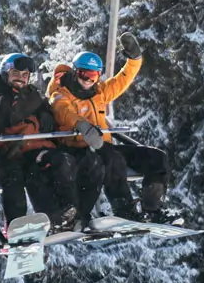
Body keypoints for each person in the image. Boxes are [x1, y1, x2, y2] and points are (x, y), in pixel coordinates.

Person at [47, 34, 173, 226]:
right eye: (84, 74)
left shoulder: (99, 92)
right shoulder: (61, 94)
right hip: (76, 150)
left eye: (94, 76)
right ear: (75, 72)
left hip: (103, 146)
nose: (88, 80)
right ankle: (124, 210)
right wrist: (82, 126)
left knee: (156, 158)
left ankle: (152, 208)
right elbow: (63, 112)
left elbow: (122, 80)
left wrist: (135, 60)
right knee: (112, 159)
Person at [0, 53, 79, 233]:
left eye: (25, 75)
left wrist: (45, 112)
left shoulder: (30, 94)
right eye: (15, 73)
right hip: (12, 152)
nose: (21, 78)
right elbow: (8, 114)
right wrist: (37, 104)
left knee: (61, 161)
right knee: (19, 176)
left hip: (36, 149)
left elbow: (44, 108)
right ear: (5, 74)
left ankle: (66, 214)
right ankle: (16, 225)